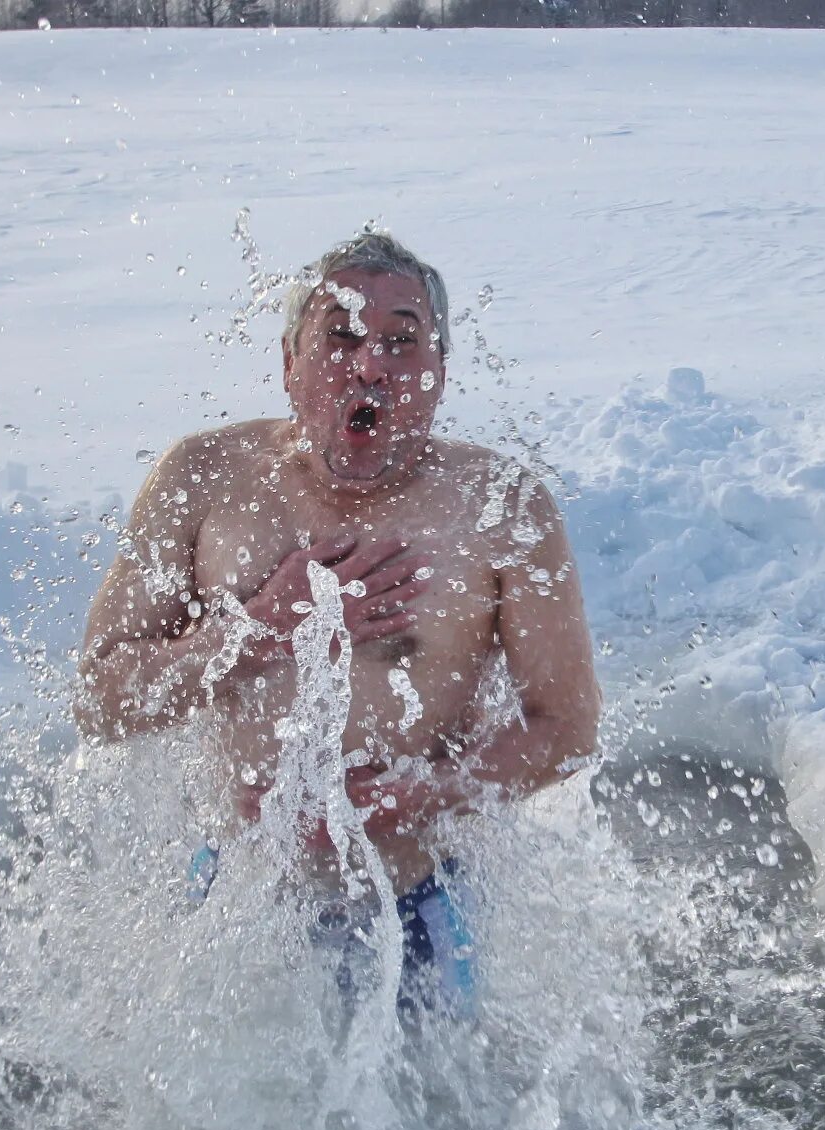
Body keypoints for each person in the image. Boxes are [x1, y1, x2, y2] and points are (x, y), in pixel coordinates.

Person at [75, 232, 600, 1017]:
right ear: (289, 365)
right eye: (342, 337)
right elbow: (101, 701)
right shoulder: (204, 479)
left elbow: (566, 728)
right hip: (235, 897)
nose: (371, 366)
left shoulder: (502, 510)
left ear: (439, 373)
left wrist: (418, 797)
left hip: (414, 902)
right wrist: (258, 632)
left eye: (401, 342)